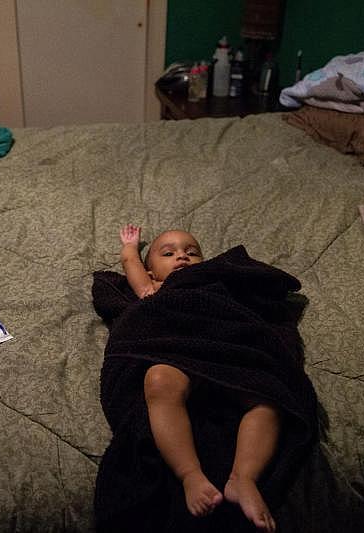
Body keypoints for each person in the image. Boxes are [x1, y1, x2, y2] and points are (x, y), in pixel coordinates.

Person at [115, 223, 285, 532]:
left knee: (268, 399)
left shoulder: (214, 283)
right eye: (169, 253)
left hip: (226, 349)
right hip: (179, 353)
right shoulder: (156, 289)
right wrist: (130, 248)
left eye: (191, 252)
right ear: (152, 272)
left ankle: (243, 478)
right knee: (159, 380)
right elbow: (132, 270)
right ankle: (190, 474)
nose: (182, 256)